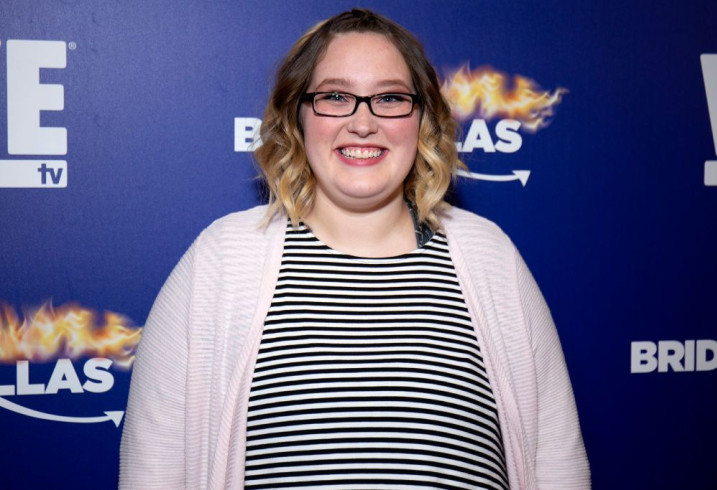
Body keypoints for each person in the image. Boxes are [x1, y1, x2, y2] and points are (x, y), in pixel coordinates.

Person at [119, 8, 589, 490]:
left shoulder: (490, 257)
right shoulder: (218, 263)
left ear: (421, 118)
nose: (363, 123)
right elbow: (153, 471)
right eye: (336, 96)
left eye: (389, 98)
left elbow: (557, 462)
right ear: (296, 117)